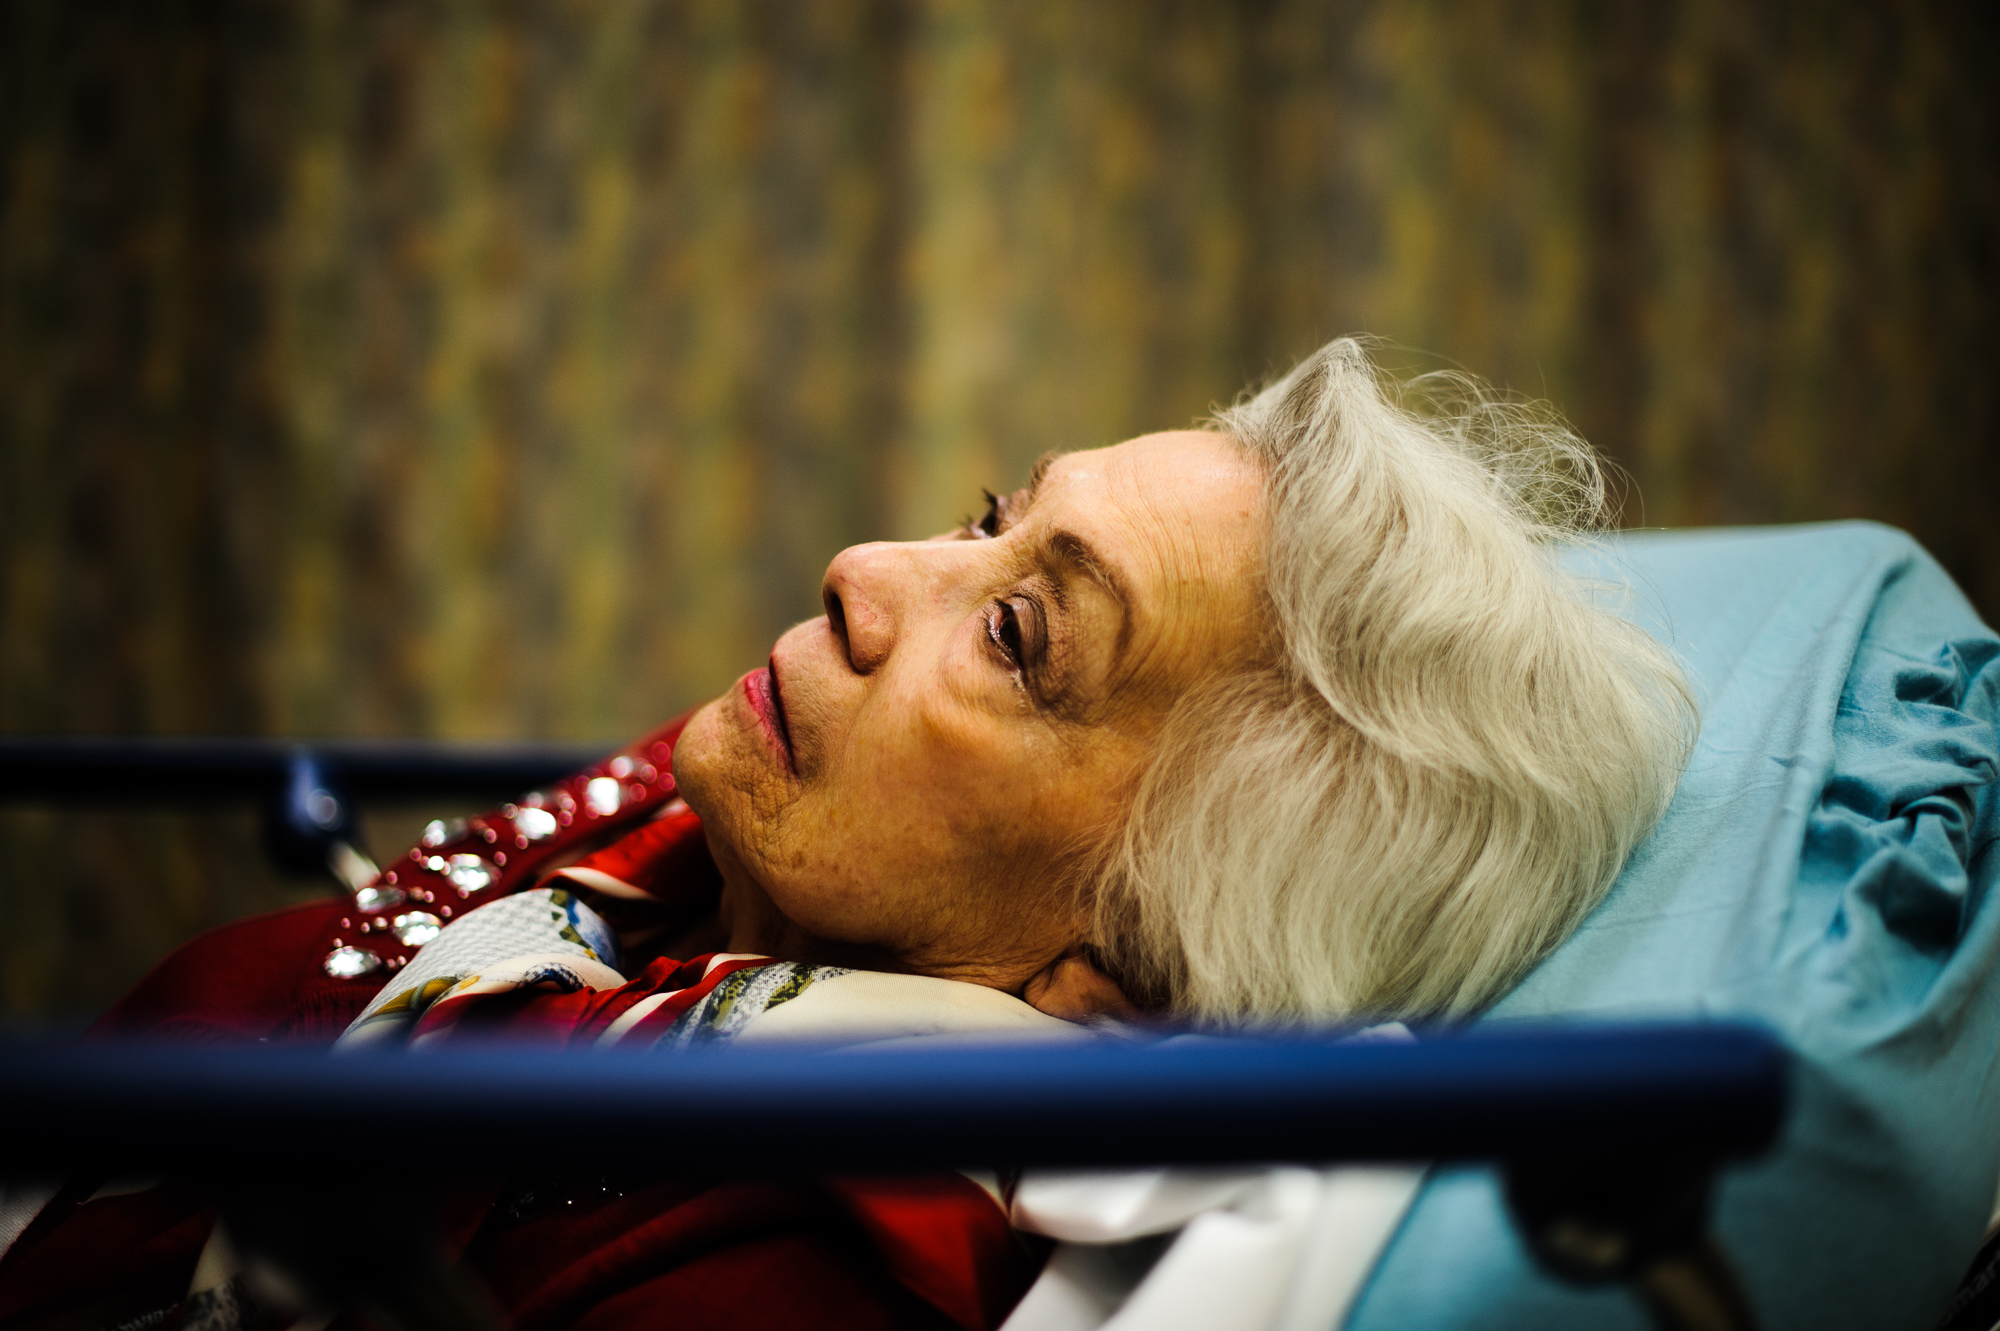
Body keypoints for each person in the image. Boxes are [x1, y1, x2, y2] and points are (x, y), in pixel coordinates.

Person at [0, 338, 1695, 1330]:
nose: (869, 574)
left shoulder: (776, 1274)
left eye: (1022, 637)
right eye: (989, 521)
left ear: (1104, 984)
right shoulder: (656, 882)